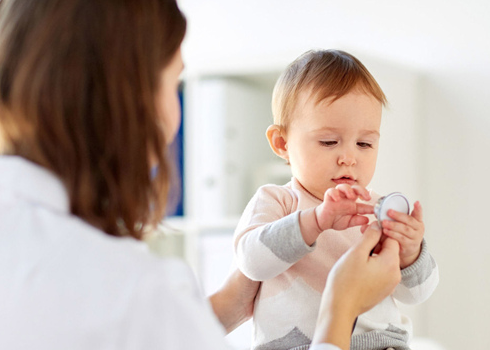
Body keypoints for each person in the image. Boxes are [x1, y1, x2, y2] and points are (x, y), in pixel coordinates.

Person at [0, 1, 400, 349]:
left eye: (365, 143)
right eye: (173, 83)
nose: (348, 157)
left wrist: (231, 300)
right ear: (129, 100)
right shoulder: (132, 290)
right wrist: (342, 306)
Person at [233, 49, 439, 350]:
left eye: (364, 143)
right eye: (329, 142)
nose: (348, 158)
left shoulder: (379, 211)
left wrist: (411, 253)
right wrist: (314, 222)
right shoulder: (277, 201)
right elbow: (251, 263)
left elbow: (418, 294)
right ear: (282, 143)